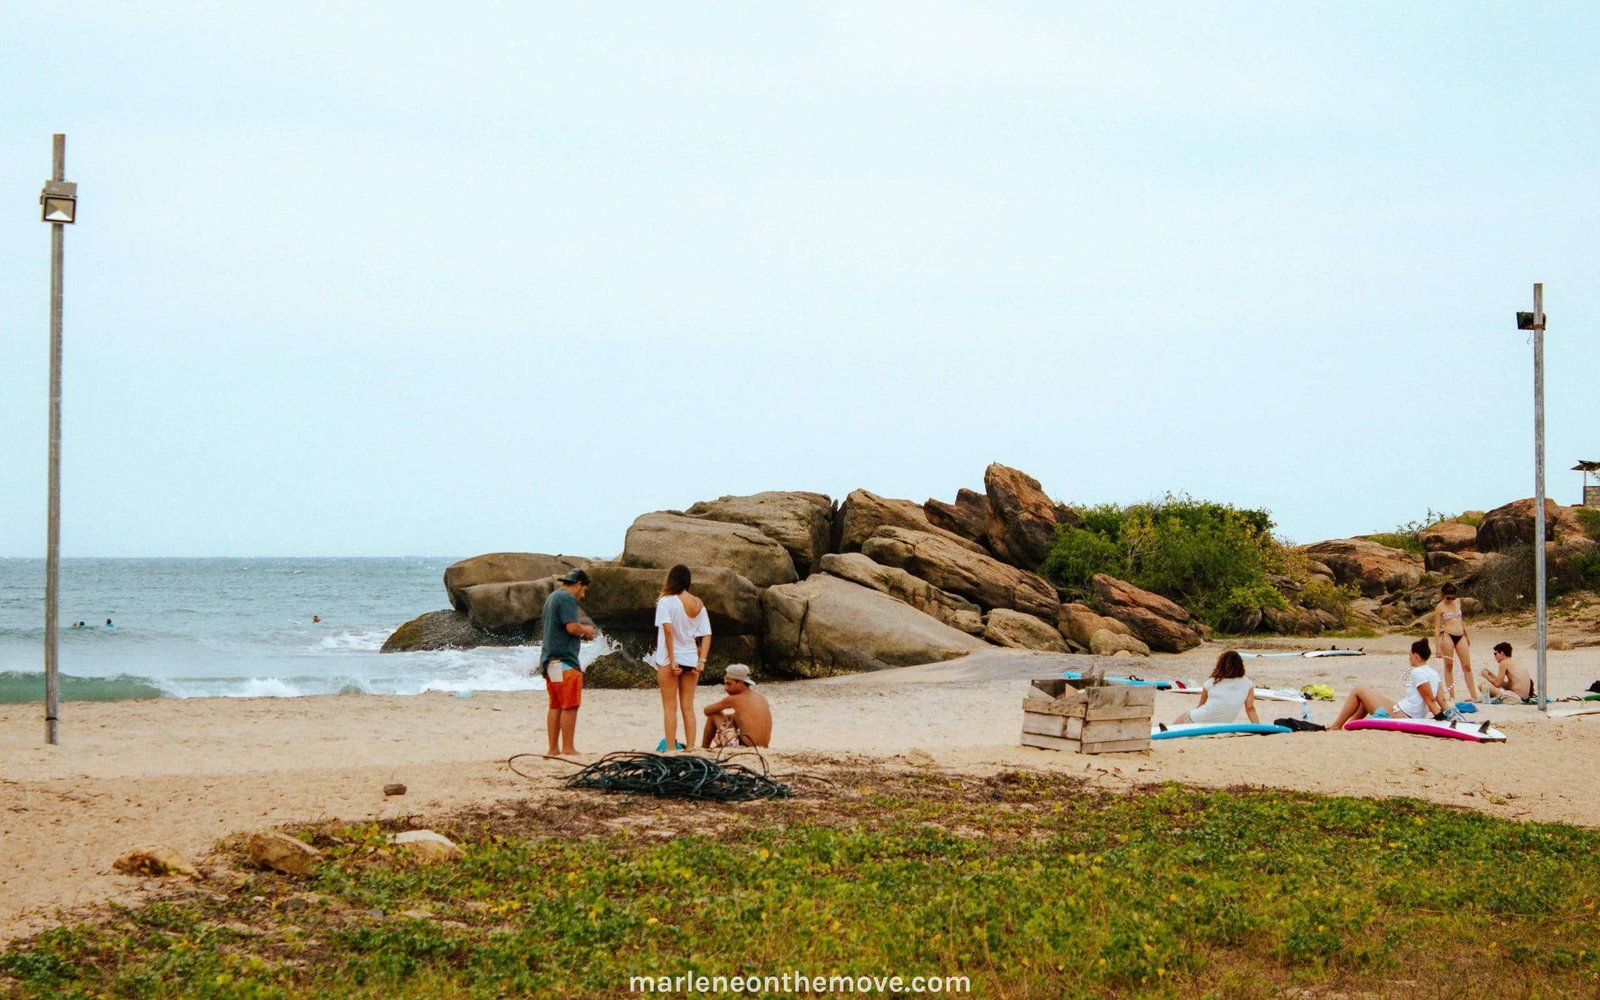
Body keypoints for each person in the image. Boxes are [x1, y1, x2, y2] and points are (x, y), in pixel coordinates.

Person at [652, 564, 712, 752]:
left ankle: (671, 748)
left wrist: (671, 660)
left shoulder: (665, 601)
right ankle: (691, 747)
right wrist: (702, 660)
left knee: (670, 707)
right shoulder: (698, 604)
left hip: (670, 659)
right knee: (688, 706)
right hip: (691, 659)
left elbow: (668, 632)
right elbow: (707, 634)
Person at [540, 568, 596, 757]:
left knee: (555, 705)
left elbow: (561, 629)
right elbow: (572, 627)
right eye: (584, 590)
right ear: (578, 584)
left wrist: (579, 634)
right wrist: (586, 630)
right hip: (566, 662)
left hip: (550, 661)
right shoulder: (566, 598)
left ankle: (553, 749)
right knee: (570, 705)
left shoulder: (552, 598)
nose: (583, 595)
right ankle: (568, 747)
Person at [1332, 638, 1449, 728]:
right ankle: (1349, 726)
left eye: (1410, 655)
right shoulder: (1433, 673)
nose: (1409, 658)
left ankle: (1336, 726)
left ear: (1416, 656)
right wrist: (1448, 716)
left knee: (1358, 689)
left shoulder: (1418, 673)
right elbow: (1441, 700)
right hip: (1402, 711)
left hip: (1402, 716)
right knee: (1366, 698)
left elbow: (1430, 699)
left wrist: (1439, 718)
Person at [1172, 650, 1259, 725]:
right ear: (1240, 666)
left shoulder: (1212, 682)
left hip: (1201, 719)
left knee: (1185, 715)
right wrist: (1258, 727)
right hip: (1224, 723)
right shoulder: (1247, 683)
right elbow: (1250, 708)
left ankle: (1170, 728)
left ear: (1221, 665)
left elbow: (1201, 705)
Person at [700, 664, 772, 749]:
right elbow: (745, 717)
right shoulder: (760, 697)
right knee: (733, 718)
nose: (725, 688)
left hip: (747, 748)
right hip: (763, 748)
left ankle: (704, 748)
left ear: (740, 683)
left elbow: (707, 711)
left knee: (713, 714)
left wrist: (722, 715)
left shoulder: (734, 699)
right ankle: (717, 747)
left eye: (729, 684)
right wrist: (729, 717)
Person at [1433, 582, 1477, 701]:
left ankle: (1474, 695)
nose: (1450, 600)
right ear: (1444, 595)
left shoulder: (1457, 602)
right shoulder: (1440, 607)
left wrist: (1466, 635)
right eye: (1448, 598)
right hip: (1447, 635)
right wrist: (1437, 648)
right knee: (1449, 666)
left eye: (1453, 597)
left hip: (1460, 635)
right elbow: (1437, 629)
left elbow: (1460, 620)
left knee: (1467, 666)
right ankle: (1452, 695)